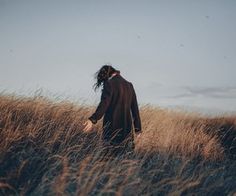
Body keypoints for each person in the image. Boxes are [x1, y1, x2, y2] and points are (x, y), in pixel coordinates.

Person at [83, 65, 142, 157]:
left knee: (109, 160)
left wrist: (92, 120)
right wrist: (138, 129)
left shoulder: (109, 84)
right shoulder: (129, 85)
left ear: (106, 75)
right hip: (127, 130)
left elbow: (104, 105)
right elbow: (135, 109)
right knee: (125, 161)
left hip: (112, 129)